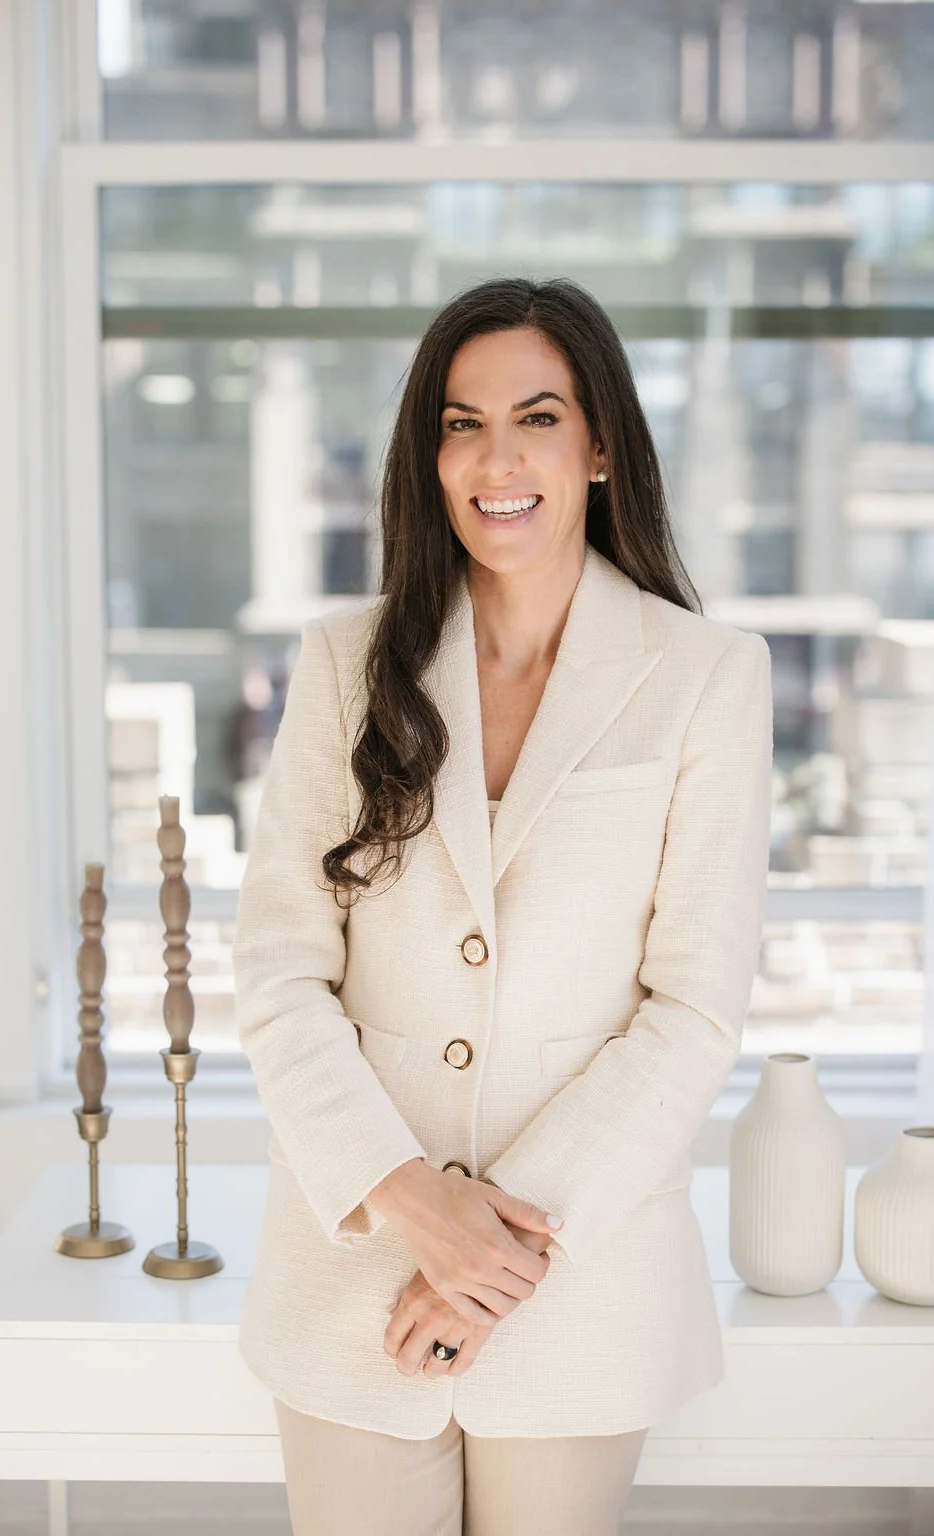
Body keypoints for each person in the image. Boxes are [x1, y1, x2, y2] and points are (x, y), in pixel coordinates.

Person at [232, 276, 774, 1536]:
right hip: (355, 1270)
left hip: (581, 1283)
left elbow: (693, 1007)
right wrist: (417, 1204)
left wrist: (492, 1260)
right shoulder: (343, 667)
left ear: (597, 448)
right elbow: (278, 972)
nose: (496, 458)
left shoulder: (705, 676)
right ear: (429, 456)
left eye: (536, 416)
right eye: (460, 423)